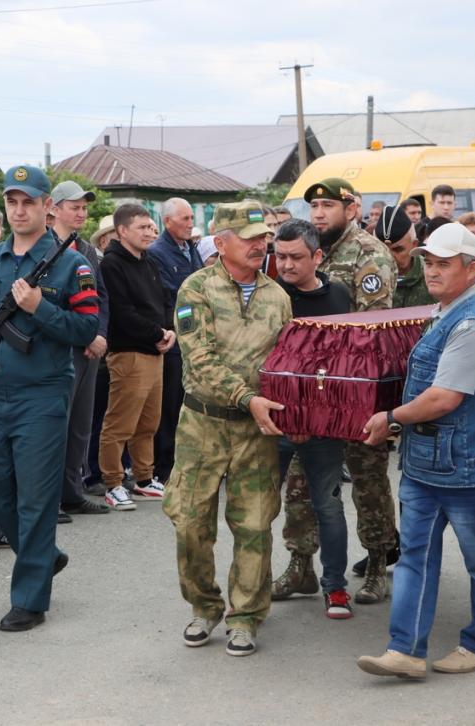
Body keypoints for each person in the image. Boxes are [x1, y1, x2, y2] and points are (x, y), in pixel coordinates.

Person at [357, 223, 475, 680]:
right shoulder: (447, 312)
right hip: (429, 462)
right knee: (414, 558)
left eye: (443, 263)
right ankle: (405, 650)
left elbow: (445, 397)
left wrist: (390, 418)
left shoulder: (473, 323)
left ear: (472, 268)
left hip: (470, 466)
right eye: (428, 262)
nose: (432, 270)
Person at [0, 165, 98, 632]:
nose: (19, 210)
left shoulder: (71, 263)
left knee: (35, 497)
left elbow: (86, 329)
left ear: (46, 207)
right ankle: (44, 555)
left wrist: (41, 308)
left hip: (43, 393)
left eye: (28, 202)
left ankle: (29, 599)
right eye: (11, 202)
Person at [162, 200, 291, 657]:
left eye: (264, 238)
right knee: (191, 523)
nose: (261, 245)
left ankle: (245, 616)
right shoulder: (194, 290)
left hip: (257, 431)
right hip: (202, 426)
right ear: (221, 243)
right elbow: (200, 359)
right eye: (251, 238)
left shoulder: (278, 297)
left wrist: (298, 410)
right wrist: (246, 397)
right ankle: (204, 606)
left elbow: (285, 366)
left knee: (255, 526)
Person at [274, 177, 397, 607]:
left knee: (367, 479)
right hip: (310, 396)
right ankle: (301, 564)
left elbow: (373, 330)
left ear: (352, 207)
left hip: (356, 391)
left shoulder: (370, 253)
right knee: (300, 485)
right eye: (315, 206)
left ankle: (379, 563)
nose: (320, 212)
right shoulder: (301, 249)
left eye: (329, 204)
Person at [273, 218, 354, 619]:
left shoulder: (339, 297)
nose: (285, 265)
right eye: (279, 256)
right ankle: (250, 586)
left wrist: (313, 418)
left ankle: (335, 588)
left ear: (317, 256)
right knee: (257, 504)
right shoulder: (268, 295)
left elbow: (346, 365)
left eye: (295, 258)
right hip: (272, 420)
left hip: (323, 425)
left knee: (328, 505)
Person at [98, 203, 173, 511]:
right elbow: (122, 312)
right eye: (142, 227)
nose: (150, 232)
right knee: (119, 424)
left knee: (148, 422)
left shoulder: (148, 260)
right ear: (122, 231)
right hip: (128, 353)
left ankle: (144, 478)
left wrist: (169, 330)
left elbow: (165, 300)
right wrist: (157, 334)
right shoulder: (112, 264)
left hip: (156, 352)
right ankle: (113, 483)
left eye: (150, 227)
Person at [48, 180, 111, 519]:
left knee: (81, 425)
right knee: (56, 425)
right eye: (75, 207)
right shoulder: (42, 247)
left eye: (84, 207)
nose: (82, 212)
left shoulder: (85, 248)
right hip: (60, 349)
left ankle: (72, 492)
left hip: (88, 350)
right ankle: (50, 497)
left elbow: (100, 295)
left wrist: (99, 333)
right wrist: (83, 335)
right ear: (54, 209)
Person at [148, 198, 203, 485]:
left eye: (192, 217)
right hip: (173, 337)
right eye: (184, 218)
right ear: (167, 221)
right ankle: (164, 466)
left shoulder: (190, 248)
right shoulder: (157, 253)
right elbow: (172, 294)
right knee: (169, 407)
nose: (191, 222)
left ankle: (185, 462)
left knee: (188, 405)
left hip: (194, 337)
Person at [374, 205, 432, 308]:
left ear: (414, 244)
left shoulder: (430, 275)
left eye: (398, 249)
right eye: (382, 249)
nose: (389, 257)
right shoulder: (367, 277)